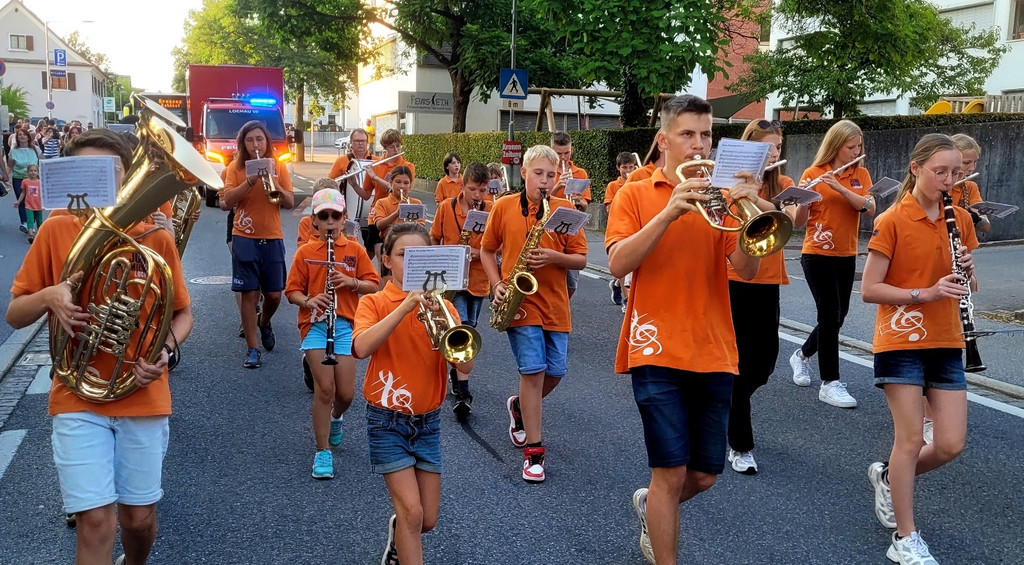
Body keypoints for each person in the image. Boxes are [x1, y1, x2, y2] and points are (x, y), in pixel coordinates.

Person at [5, 128, 193, 565]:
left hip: (142, 392)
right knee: (94, 521)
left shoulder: (155, 239)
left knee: (138, 520)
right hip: (77, 394)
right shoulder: (55, 230)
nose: (97, 180)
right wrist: (49, 296)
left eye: (110, 171)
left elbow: (183, 315)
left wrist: (166, 351)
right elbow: (15, 314)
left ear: (127, 177)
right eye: (85, 169)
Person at [605, 94, 761, 565]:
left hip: (713, 346)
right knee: (670, 473)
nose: (698, 145)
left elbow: (746, 269)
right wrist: (669, 211)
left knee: (705, 475)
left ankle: (653, 508)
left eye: (705, 135)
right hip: (654, 346)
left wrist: (750, 211)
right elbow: (617, 263)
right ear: (663, 140)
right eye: (687, 134)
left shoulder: (720, 197)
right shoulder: (634, 193)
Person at [861, 133, 978, 565]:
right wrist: (924, 293)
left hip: (946, 338)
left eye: (955, 173)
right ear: (916, 169)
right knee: (910, 440)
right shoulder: (892, 220)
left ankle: (888, 478)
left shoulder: (960, 218)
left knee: (950, 444)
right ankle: (905, 537)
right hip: (901, 338)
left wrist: (968, 269)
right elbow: (870, 289)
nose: (949, 180)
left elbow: (969, 285)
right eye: (940, 172)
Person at [351, 222, 475, 565]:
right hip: (387, 420)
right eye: (405, 255)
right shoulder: (374, 302)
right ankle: (405, 532)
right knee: (413, 512)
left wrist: (447, 324)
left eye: (421, 256)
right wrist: (404, 307)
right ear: (386, 260)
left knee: (427, 519)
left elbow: (465, 363)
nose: (412, 263)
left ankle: (399, 537)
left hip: (428, 423)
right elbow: (360, 347)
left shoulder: (444, 307)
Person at [480, 145, 588, 483]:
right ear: (524, 173)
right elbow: (487, 249)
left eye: (551, 175)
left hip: (556, 304)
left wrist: (555, 257)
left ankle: (519, 407)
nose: (544, 181)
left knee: (555, 372)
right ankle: (534, 453)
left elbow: (581, 258)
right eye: (538, 174)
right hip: (521, 304)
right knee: (534, 371)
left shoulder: (565, 209)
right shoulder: (503, 206)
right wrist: (496, 283)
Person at [725, 120, 808, 475]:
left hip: (768, 280)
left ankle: (725, 404)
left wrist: (756, 197)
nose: (774, 153)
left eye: (778, 147)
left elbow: (792, 219)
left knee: (763, 365)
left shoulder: (784, 184)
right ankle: (740, 444)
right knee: (740, 366)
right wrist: (739, 191)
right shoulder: (728, 184)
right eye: (767, 147)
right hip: (733, 279)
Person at [286, 189, 379, 479]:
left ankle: (336, 417)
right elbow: (292, 290)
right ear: (314, 220)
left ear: (343, 218)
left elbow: (373, 283)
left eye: (335, 216)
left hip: (345, 324)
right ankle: (322, 450)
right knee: (325, 389)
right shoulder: (305, 252)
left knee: (346, 394)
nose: (329, 221)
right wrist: (308, 301)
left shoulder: (354, 249)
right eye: (323, 216)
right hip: (315, 325)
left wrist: (351, 282)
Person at [789, 119, 874, 408]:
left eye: (858, 146)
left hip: (846, 253)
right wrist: (803, 199)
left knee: (839, 316)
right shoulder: (813, 173)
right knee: (829, 315)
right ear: (836, 146)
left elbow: (868, 207)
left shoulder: (860, 174)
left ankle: (801, 355)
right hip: (816, 253)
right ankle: (830, 382)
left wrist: (839, 187)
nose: (856, 151)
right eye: (851, 147)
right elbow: (799, 222)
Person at [218, 120, 295, 369]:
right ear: (243, 144)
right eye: (250, 140)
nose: (255, 144)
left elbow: (290, 201)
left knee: (274, 294)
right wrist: (250, 180)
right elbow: (227, 202)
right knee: (249, 293)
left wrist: (273, 181)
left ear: (266, 141)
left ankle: (264, 322)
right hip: (244, 234)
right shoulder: (235, 168)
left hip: (272, 235)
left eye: (259, 139)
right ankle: (252, 349)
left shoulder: (278, 166)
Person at [429, 162, 491, 419]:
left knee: (469, 328)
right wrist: (440, 257)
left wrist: (476, 253)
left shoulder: (490, 210)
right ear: (462, 186)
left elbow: (496, 246)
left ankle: (456, 374)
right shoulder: (446, 207)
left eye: (482, 190)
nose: (477, 195)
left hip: (478, 280)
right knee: (460, 325)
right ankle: (463, 391)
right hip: (451, 280)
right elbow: (434, 236)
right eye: (473, 189)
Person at [362, 129, 415, 259]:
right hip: (378, 213)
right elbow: (366, 195)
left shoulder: (407, 166)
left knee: (391, 255)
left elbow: (396, 189)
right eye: (392, 147)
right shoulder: (375, 166)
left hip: (398, 212)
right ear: (385, 147)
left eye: (398, 146)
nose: (396, 150)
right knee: (373, 254)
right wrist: (352, 183)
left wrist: (375, 177)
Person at [549, 131, 590, 299]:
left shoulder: (580, 173)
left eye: (566, 153)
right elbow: (541, 201)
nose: (563, 157)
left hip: (572, 231)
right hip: (551, 231)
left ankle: (562, 304)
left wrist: (581, 202)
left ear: (571, 150)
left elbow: (585, 206)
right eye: (558, 154)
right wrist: (557, 186)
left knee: (572, 283)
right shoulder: (547, 172)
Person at [368, 165, 425, 281]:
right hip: (390, 246)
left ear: (410, 185)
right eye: (398, 182)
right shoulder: (382, 202)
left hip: (412, 248)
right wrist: (397, 213)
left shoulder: (416, 203)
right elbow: (379, 225)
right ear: (391, 182)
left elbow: (421, 227)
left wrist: (404, 220)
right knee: (389, 282)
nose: (402, 186)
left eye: (406, 183)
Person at [327, 128, 378, 255]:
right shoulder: (341, 161)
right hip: (348, 210)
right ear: (351, 142)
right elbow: (330, 182)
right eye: (357, 141)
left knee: (372, 246)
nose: (360, 144)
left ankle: (362, 262)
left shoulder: (377, 161)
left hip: (370, 210)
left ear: (367, 143)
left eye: (363, 141)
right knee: (347, 243)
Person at [604, 152, 637, 308]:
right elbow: (609, 209)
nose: (628, 170)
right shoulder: (613, 186)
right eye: (624, 167)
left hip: (635, 228)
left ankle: (617, 284)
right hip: (618, 229)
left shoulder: (639, 183)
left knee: (633, 265)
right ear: (618, 168)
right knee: (624, 266)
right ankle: (626, 300)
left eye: (631, 167)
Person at [949, 133, 991, 234]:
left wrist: (976, 219)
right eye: (966, 163)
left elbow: (986, 227)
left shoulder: (970, 187)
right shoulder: (934, 186)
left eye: (975, 162)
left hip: (963, 241)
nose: (972, 168)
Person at [7, 128, 40, 232]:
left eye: (24, 134)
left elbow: (43, 163)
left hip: (33, 180)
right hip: (18, 178)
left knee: (32, 200)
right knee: (21, 200)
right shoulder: (13, 151)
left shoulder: (35, 149)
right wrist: (5, 176)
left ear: (28, 137)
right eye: (19, 135)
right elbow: (10, 166)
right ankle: (25, 223)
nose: (22, 136)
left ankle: (31, 222)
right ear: (17, 138)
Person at [14, 163, 43, 243]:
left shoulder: (40, 182)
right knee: (30, 220)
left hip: (39, 205)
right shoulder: (25, 182)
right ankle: (31, 235)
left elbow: (43, 194)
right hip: (29, 205)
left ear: (38, 172)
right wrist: (18, 202)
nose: (33, 172)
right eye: (31, 171)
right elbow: (23, 193)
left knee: (39, 221)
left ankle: (40, 235)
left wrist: (45, 204)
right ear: (28, 172)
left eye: (35, 171)